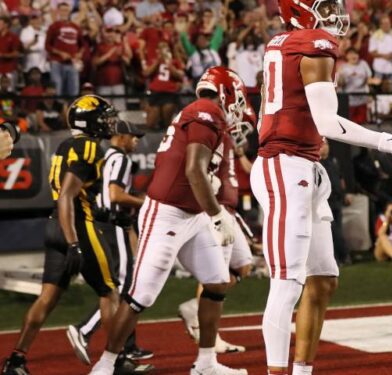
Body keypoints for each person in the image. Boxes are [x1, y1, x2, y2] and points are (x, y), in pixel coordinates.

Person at [252, 1, 392, 374]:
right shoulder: (314, 43)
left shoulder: (284, 42)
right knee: (287, 283)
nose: (334, 13)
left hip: (303, 163)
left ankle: (303, 371)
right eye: (322, 6)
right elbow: (327, 121)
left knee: (323, 280)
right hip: (284, 166)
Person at [88, 66, 247, 375]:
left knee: (216, 284)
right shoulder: (205, 111)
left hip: (193, 212)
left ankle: (206, 363)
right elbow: (193, 170)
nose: (239, 105)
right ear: (226, 92)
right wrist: (218, 216)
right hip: (167, 213)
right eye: (237, 97)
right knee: (141, 295)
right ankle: (105, 365)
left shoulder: (203, 113)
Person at [0, 96, 138, 374]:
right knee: (110, 292)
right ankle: (115, 360)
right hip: (77, 225)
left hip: (54, 224)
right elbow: (67, 196)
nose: (109, 121)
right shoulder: (89, 147)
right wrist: (74, 242)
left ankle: (16, 360)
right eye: (104, 116)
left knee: (47, 298)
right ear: (89, 120)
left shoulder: (66, 144)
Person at [65, 120, 152, 366]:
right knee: (125, 285)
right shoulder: (121, 159)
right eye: (133, 136)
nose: (136, 141)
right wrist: (144, 203)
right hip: (113, 224)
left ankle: (128, 346)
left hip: (100, 222)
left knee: (122, 283)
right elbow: (114, 195)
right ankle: (84, 329)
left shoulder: (104, 156)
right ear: (121, 136)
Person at [178, 109, 257, 355]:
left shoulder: (229, 143)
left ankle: (194, 307)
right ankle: (207, 338)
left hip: (230, 209)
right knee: (215, 276)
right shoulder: (211, 135)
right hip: (216, 211)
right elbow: (195, 168)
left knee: (243, 266)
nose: (243, 130)